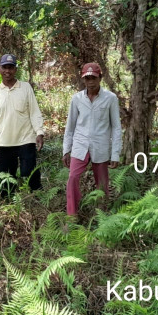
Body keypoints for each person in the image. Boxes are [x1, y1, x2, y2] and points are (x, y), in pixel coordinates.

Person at [62, 63, 122, 216]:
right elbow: (70, 127)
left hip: (100, 146)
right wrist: (66, 150)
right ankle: (72, 215)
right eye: (87, 78)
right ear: (83, 80)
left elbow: (116, 127)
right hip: (80, 145)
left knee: (102, 184)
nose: (91, 82)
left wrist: (115, 154)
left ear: (100, 78)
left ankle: (102, 216)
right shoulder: (77, 99)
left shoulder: (110, 98)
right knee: (73, 178)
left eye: (94, 78)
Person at [0, 54, 44, 196]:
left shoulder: (25, 88)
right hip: (4, 141)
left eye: (11, 67)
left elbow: (34, 111)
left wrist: (39, 132)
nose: (8, 71)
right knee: (7, 181)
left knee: (29, 172)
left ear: (15, 69)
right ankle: (8, 205)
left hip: (26, 139)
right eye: (4, 67)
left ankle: (38, 197)